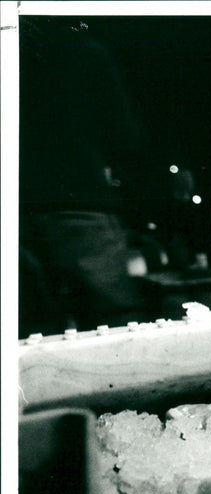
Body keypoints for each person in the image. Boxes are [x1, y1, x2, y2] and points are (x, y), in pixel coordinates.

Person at [19, 19, 149, 336]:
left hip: (18, 214)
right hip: (85, 209)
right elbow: (127, 139)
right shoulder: (88, 53)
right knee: (115, 335)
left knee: (31, 343)